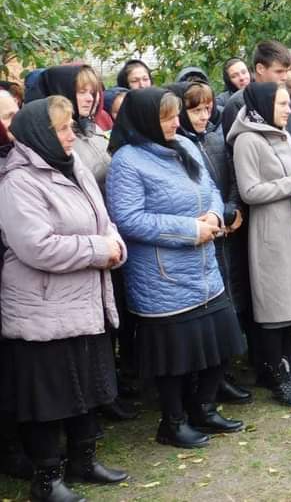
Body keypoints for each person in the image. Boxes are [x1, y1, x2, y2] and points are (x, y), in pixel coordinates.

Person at [0, 98, 129, 500]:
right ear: (40, 135)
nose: (71, 134)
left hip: (83, 300)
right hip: (43, 309)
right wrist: (99, 250)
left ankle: (83, 461)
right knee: (49, 399)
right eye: (61, 128)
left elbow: (104, 220)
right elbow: (36, 246)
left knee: (85, 388)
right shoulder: (18, 182)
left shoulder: (73, 167)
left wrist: (115, 246)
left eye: (71, 125)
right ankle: (47, 479)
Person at [106, 88, 245, 449]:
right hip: (162, 276)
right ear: (145, 121)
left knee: (222, 341)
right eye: (165, 117)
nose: (173, 123)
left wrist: (215, 215)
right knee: (174, 358)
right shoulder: (127, 161)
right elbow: (128, 219)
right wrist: (189, 230)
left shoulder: (183, 145)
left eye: (174, 115)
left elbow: (210, 187)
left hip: (204, 267)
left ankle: (203, 407)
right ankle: (173, 421)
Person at [229, 82, 291, 408]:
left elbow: (288, 181)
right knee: (274, 310)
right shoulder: (247, 140)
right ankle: (277, 379)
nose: (289, 109)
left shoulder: (279, 133)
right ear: (264, 105)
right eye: (282, 104)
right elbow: (250, 191)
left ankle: (288, 370)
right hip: (270, 234)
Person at [170, 80, 251, 405]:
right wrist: (214, 218)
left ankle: (225, 372)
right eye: (195, 111)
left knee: (233, 297)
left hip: (228, 225)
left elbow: (231, 175)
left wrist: (232, 208)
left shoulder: (216, 137)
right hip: (203, 233)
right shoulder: (179, 146)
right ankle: (210, 381)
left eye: (207, 109)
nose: (204, 116)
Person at [25, 65, 112, 194]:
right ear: (60, 92)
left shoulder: (92, 127)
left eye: (92, 92)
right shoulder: (51, 141)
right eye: (81, 92)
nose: (90, 98)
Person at [220, 41, 291, 138]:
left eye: (287, 71)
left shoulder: (285, 97)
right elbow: (235, 144)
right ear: (260, 69)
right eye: (279, 71)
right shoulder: (237, 104)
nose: (285, 77)